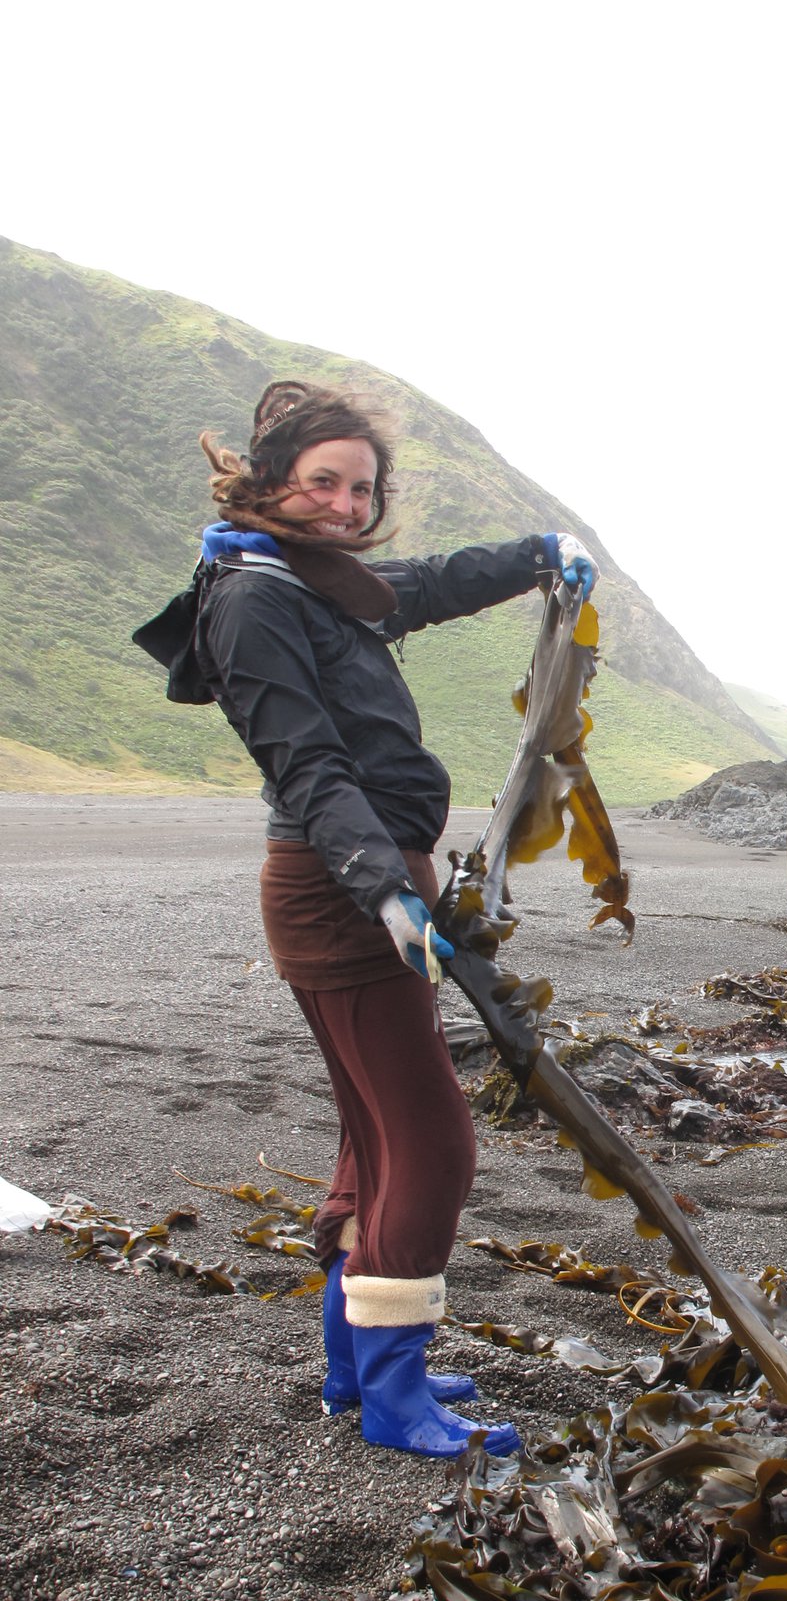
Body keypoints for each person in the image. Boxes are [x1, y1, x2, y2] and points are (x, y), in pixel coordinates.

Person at [135, 380, 597, 1458]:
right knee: (432, 1144)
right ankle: (393, 1398)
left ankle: (359, 1364)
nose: (347, 503)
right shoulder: (251, 598)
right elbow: (306, 761)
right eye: (323, 484)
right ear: (271, 485)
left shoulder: (308, 578)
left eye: (361, 486)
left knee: (372, 1130)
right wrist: (382, 884)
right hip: (342, 887)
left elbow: (418, 586)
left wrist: (537, 549)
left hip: (359, 877)